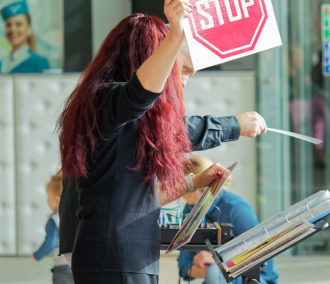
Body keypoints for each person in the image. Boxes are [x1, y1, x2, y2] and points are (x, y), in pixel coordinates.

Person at [57, 1, 267, 283]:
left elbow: (134, 199)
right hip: (116, 258)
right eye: (177, 66)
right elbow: (145, 98)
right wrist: (175, 35)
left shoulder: (113, 113)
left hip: (122, 258)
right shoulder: (108, 102)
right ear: (145, 59)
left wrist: (194, 183)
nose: (180, 80)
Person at [177, 156, 279, 284]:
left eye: (182, 184)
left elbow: (260, 256)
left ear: (197, 185)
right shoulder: (190, 209)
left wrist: (218, 261)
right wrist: (213, 270)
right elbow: (184, 266)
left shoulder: (237, 208)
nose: (177, 191)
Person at [31, 171, 73, 284]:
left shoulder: (54, 220)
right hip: (77, 264)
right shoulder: (74, 216)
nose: (47, 200)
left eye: (49, 196)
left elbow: (50, 242)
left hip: (62, 266)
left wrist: (37, 255)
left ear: (58, 198)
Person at [0, 0, 50, 73]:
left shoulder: (40, 63)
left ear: (29, 29)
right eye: (8, 25)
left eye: (19, 24)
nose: (13, 29)